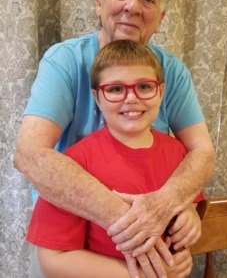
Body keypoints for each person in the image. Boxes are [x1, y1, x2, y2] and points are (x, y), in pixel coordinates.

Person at [14, 0, 215, 278]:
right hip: (72, 248)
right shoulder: (65, 61)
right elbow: (30, 154)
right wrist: (135, 224)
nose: (132, 6)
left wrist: (175, 214)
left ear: (161, 18)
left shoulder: (174, 73)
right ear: (99, 2)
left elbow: (201, 155)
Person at [26, 40, 204, 278]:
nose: (131, 98)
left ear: (161, 92)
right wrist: (137, 275)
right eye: (115, 89)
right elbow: (53, 260)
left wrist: (190, 219)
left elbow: (190, 202)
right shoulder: (72, 167)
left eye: (144, 86)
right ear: (97, 98)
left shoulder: (180, 155)